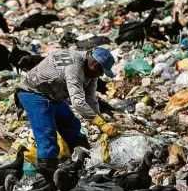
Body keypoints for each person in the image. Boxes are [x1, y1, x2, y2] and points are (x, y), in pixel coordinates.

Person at [17, 47, 118, 181]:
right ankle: (48, 180)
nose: (101, 75)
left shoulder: (91, 71)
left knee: (72, 127)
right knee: (47, 137)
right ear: (96, 65)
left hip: (54, 95)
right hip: (34, 93)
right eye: (101, 71)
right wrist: (99, 123)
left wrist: (100, 122)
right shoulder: (75, 68)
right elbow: (78, 102)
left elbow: (90, 99)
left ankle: (81, 164)